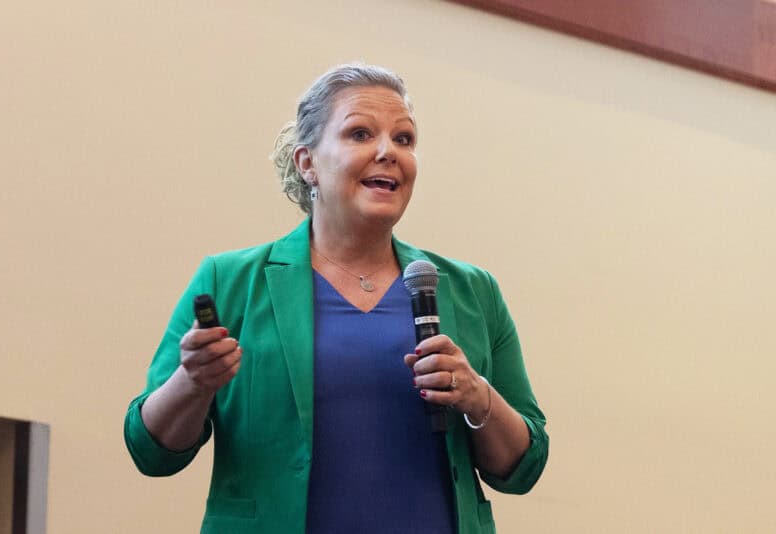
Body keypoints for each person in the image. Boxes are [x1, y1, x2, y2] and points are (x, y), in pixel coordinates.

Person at [124, 63, 548, 534]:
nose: (388, 152)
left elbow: (525, 465)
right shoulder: (229, 281)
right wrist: (193, 383)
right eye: (360, 133)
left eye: (404, 139)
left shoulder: (471, 290)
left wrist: (477, 397)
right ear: (307, 162)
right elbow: (150, 450)